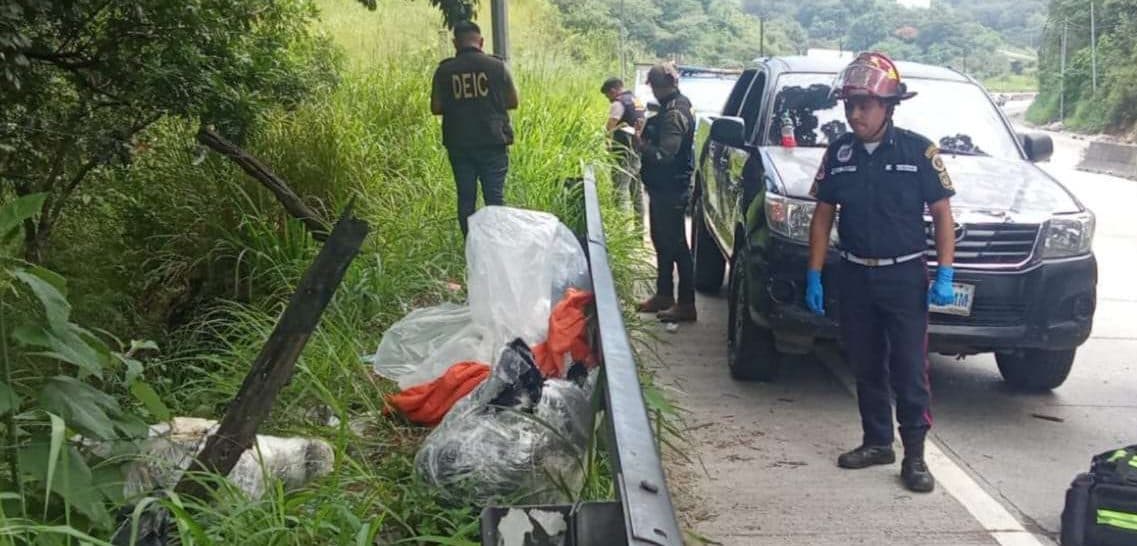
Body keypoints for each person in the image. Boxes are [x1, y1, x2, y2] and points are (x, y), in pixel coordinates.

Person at [806, 52, 957, 493]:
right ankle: (877, 442)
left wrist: (945, 272)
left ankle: (915, 455)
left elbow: (943, 214)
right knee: (865, 363)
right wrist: (815, 273)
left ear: (889, 106)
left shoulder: (918, 151)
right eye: (849, 105)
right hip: (854, 274)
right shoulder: (839, 153)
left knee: (909, 368)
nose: (855, 114)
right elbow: (823, 215)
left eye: (865, 105)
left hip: (904, 276)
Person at [430, 20, 520, 237]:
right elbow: (513, 102)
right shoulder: (497, 66)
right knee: (495, 197)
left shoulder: (445, 71)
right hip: (493, 141)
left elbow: (436, 107)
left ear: (455, 43)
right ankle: (496, 246)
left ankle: (471, 246)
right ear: (481, 41)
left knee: (466, 198)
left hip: (459, 144)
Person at [636, 63, 697, 323]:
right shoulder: (673, 108)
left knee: (677, 246)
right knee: (661, 241)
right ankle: (664, 294)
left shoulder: (674, 114)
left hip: (672, 188)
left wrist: (640, 145)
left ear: (660, 86)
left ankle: (686, 303)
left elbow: (665, 155)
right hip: (663, 188)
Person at [600, 77, 646, 227]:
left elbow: (610, 126)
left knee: (619, 191)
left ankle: (620, 229)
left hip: (623, 153)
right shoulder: (636, 101)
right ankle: (638, 230)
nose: (609, 99)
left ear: (613, 91)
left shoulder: (618, 103)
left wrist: (607, 144)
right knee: (636, 192)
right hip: (638, 151)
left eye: (608, 96)